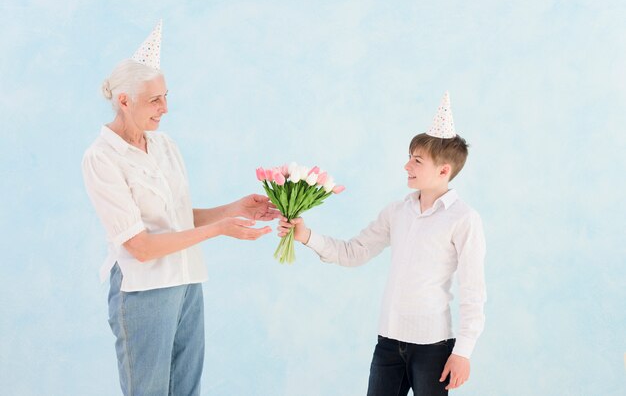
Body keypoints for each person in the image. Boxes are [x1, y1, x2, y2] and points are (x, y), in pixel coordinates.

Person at [82, 20, 279, 396]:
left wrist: (233, 209)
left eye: (165, 96)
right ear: (124, 101)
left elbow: (177, 220)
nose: (165, 108)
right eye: (155, 99)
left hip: (187, 283)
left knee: (188, 390)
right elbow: (139, 246)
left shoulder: (164, 145)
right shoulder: (102, 158)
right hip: (144, 291)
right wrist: (220, 230)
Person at [278, 92, 486, 395]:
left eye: (417, 160)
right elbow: (354, 252)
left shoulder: (463, 219)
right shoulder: (397, 212)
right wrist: (306, 236)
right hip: (388, 343)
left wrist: (463, 352)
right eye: (409, 157)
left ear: (444, 171)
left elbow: (473, 291)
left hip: (433, 347)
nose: (406, 166)